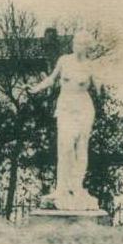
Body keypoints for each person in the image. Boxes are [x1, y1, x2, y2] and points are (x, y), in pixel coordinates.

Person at [27, 30, 99, 210]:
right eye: (75, 42)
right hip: (66, 107)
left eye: (80, 44)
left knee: (81, 147)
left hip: (83, 108)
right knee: (65, 145)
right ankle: (61, 189)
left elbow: (100, 89)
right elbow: (51, 79)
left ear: (87, 47)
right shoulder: (64, 61)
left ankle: (77, 187)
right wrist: (36, 88)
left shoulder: (91, 66)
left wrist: (102, 81)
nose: (76, 46)